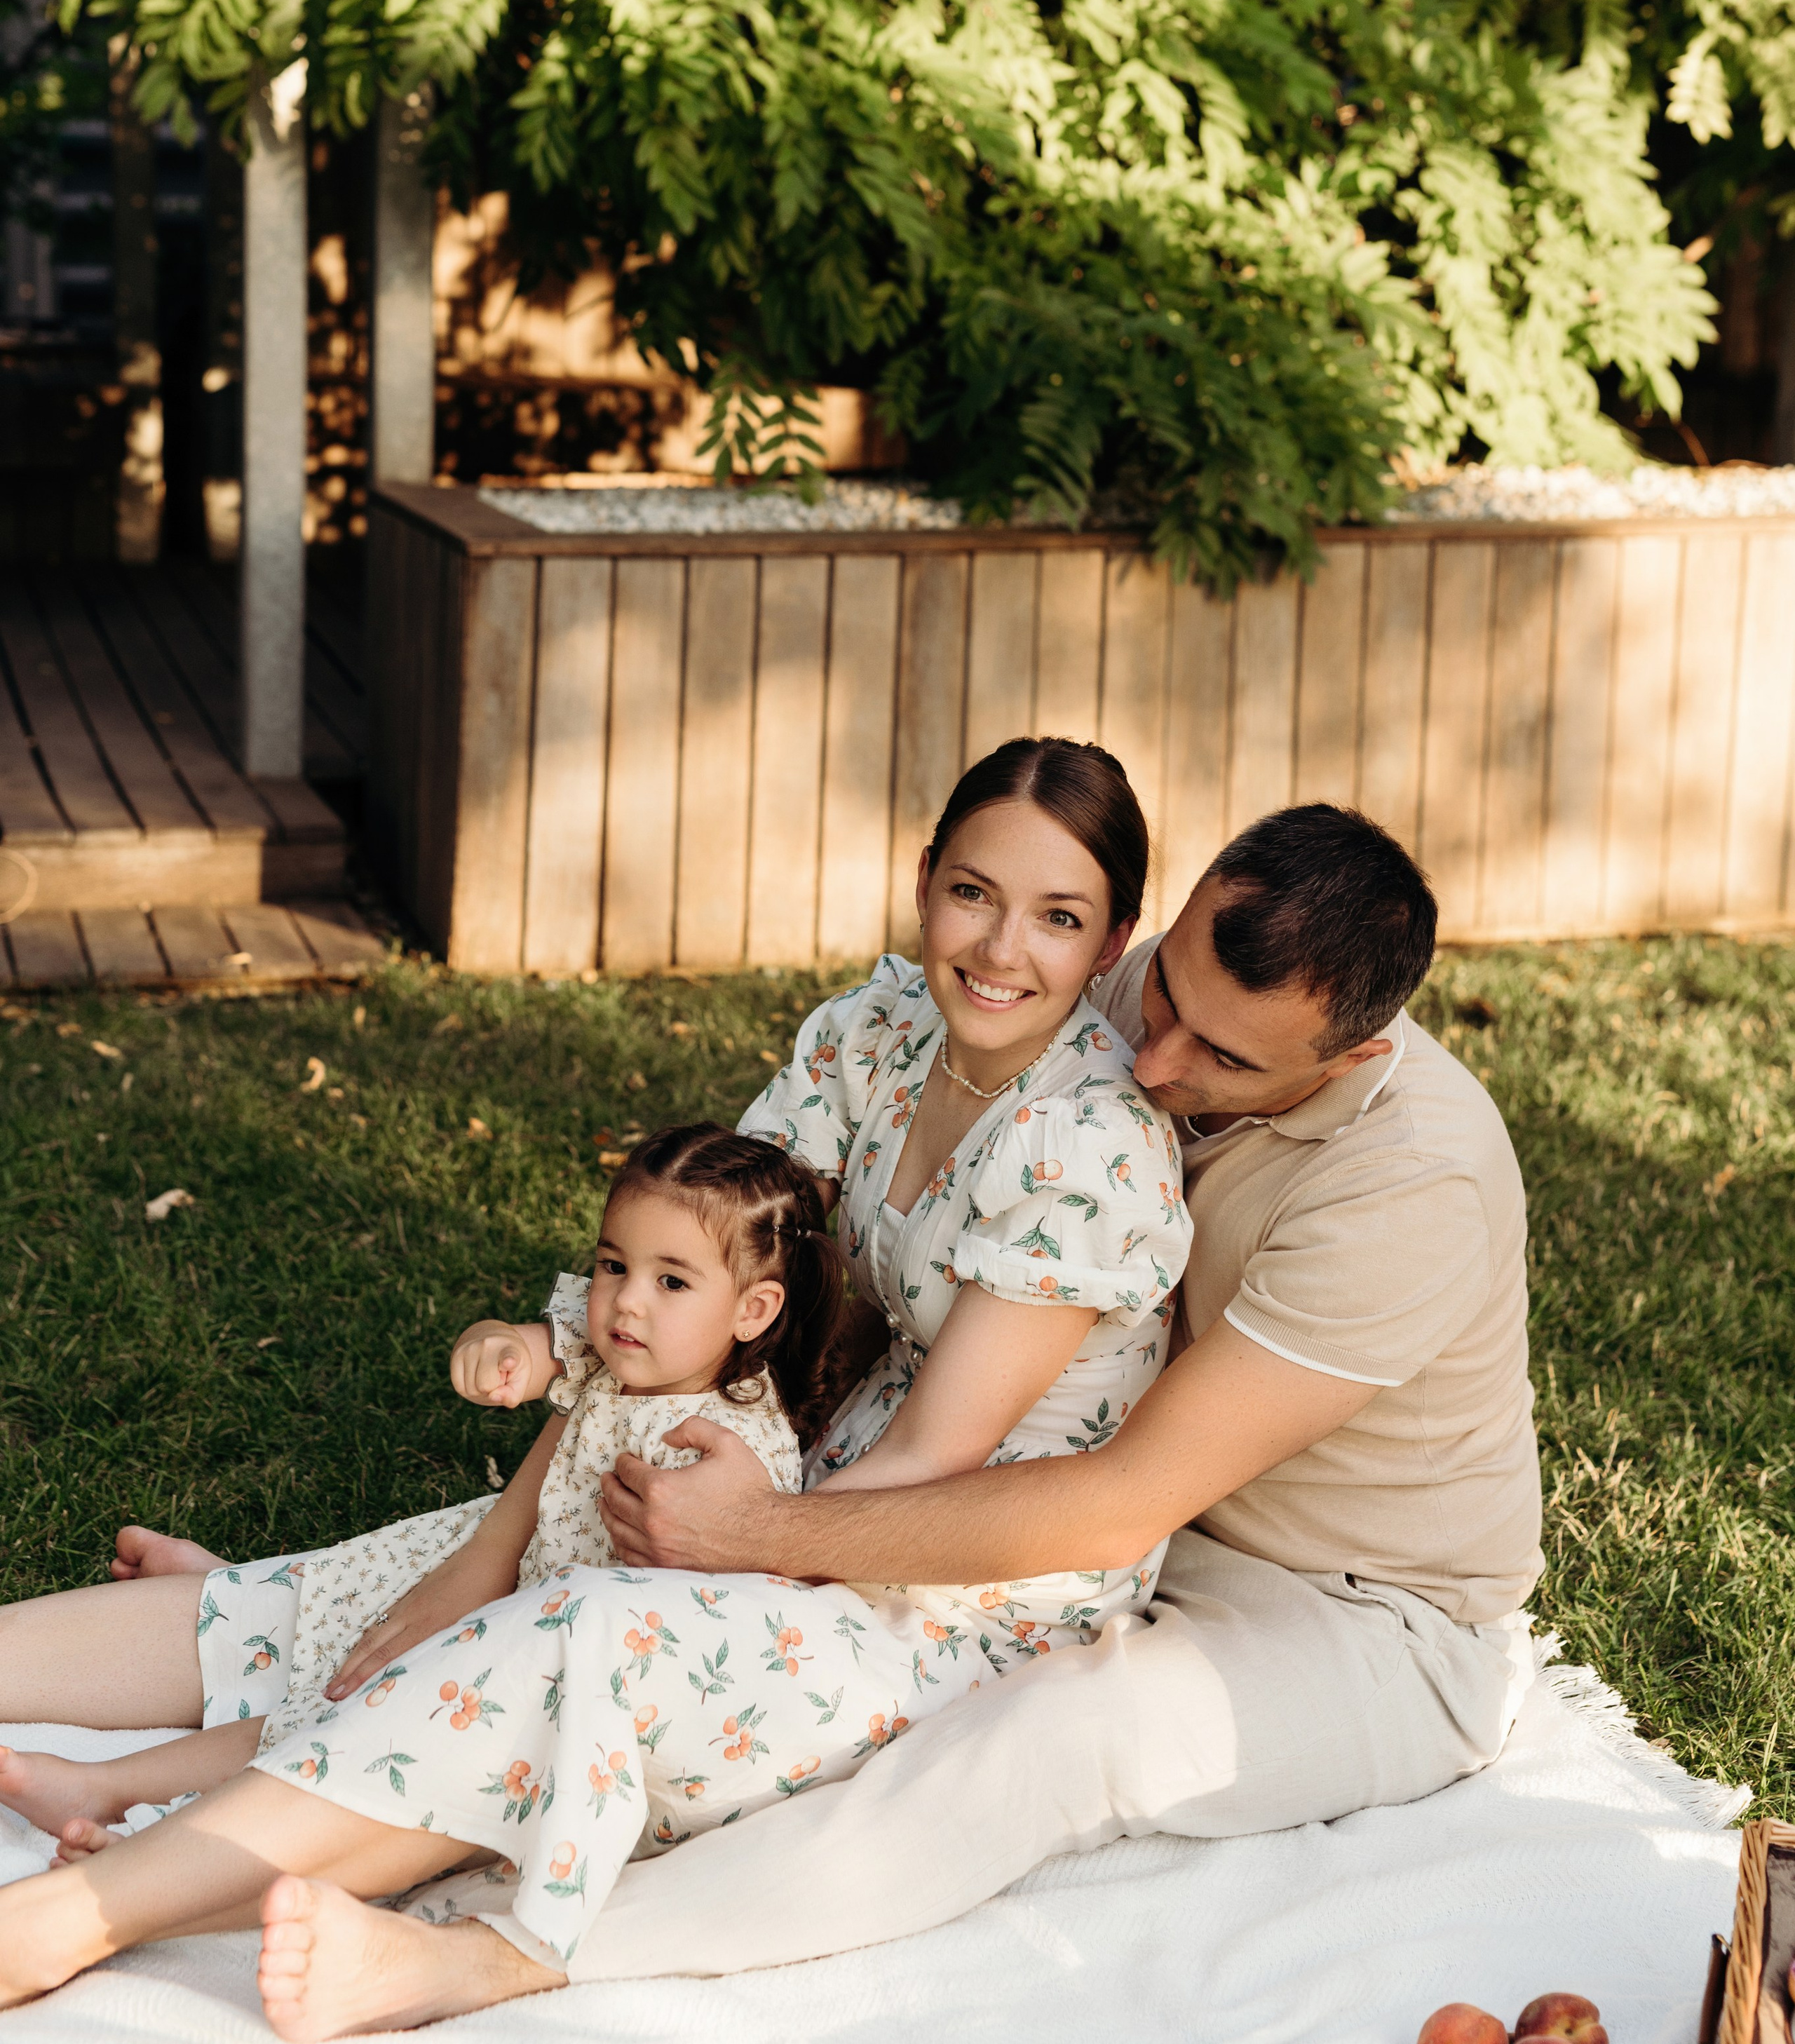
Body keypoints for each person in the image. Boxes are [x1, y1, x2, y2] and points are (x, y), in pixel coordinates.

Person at [199, 794, 1541, 2035]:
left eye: (1221, 1054)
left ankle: (502, 1951)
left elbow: (1118, 1501)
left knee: (1053, 1733)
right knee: (664, 1549)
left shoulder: (1414, 1185)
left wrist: (755, 1536)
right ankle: (288, 1679)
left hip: (1354, 1606)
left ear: (1355, 1052)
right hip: (1125, 1511)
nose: (1154, 1051)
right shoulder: (1123, 989)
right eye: (1165, 989)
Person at [0, 736, 1192, 2027]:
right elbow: (712, 1247)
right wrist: (536, 1444)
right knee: (432, 1566)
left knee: (569, 1633)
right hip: (814, 1471)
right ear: (924, 881)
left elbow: (931, 1461)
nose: (1002, 948)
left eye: (1058, 917)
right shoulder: (886, 1027)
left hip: (954, 1585)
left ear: (1113, 939)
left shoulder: (1091, 1145)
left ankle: (74, 1916)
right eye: (972, 892)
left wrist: (731, 1537)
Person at [0, 1121, 828, 1850]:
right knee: (345, 1618)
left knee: (342, 1709)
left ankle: (112, 1785)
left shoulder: (728, 1448)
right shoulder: (621, 1349)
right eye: (613, 1263)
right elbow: (529, 1342)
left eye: (671, 1281)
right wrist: (497, 1349)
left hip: (538, 1647)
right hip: (502, 1569)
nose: (626, 1302)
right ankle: (235, 1587)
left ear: (753, 1309)